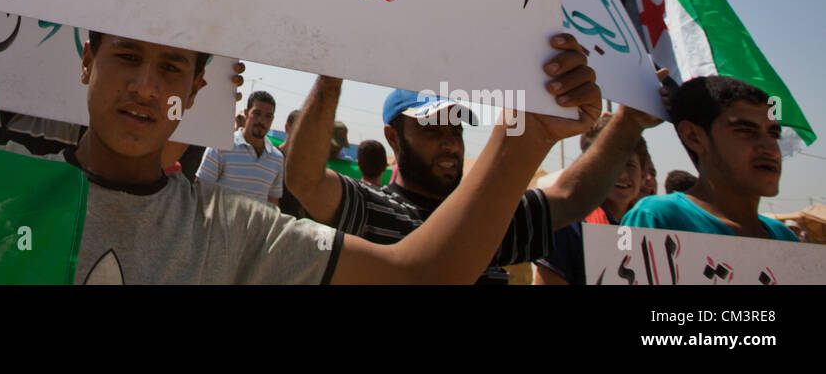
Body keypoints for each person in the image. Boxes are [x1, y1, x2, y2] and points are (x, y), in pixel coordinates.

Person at [67, 29, 602, 283]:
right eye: (128, 57)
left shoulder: (230, 230)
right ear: (88, 61)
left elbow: (422, 276)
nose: (144, 86)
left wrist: (526, 134)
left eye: (170, 69)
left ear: (197, 85)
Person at [285, 67, 657, 284]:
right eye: (433, 129)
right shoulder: (373, 208)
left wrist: (628, 123)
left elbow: (572, 196)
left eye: (457, 129)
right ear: (393, 138)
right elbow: (305, 179)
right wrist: (332, 74)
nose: (450, 144)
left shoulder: (488, 215)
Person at [621, 76, 798, 241]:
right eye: (746, 131)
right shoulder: (658, 219)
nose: (770, 150)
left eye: (773, 134)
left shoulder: (786, 238)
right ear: (694, 137)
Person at [533, 110, 653, 285]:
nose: (621, 175)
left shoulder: (650, 227)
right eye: (612, 164)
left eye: (631, 165)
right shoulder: (567, 227)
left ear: (643, 175)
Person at [196, 89, 284, 205]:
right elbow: (201, 190)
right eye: (257, 114)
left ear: (272, 119)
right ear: (247, 113)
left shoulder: (277, 158)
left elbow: (272, 202)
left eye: (268, 116)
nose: (262, 121)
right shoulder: (221, 145)